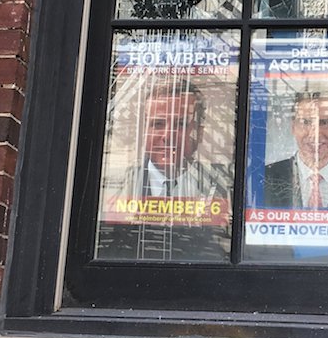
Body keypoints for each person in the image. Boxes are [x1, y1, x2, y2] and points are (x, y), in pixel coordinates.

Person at [99, 83, 232, 262]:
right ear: (144, 131)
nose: (168, 136)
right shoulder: (113, 185)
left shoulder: (221, 188)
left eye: (180, 124)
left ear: (199, 133)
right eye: (158, 124)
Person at [262, 91, 328, 209]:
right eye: (305, 122)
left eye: (324, 122)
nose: (315, 133)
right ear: (293, 127)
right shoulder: (265, 178)